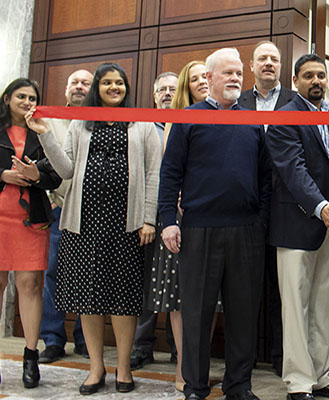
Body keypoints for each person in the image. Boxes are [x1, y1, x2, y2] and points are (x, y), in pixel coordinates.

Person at [26, 62, 162, 395]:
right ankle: (96, 369)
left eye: (119, 83)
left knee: (123, 300)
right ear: (96, 88)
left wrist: (148, 218)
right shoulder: (80, 124)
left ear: (126, 88)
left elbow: (153, 173)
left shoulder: (141, 124)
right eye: (107, 83)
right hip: (83, 223)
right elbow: (67, 170)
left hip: (126, 225)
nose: (114, 88)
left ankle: (125, 369)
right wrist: (45, 137)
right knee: (88, 298)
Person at [160, 47, 269, 400]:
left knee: (242, 315)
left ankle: (239, 386)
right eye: (228, 73)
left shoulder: (252, 119)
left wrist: (261, 221)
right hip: (198, 229)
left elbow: (265, 176)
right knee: (196, 315)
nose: (236, 78)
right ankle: (194, 387)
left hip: (246, 231)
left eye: (239, 73)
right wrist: (166, 221)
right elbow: (170, 172)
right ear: (208, 78)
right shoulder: (188, 117)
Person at [265, 53, 329, 400]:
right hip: (297, 225)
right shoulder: (284, 118)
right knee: (296, 307)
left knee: (324, 305)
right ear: (296, 80)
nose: (316, 81)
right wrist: (321, 208)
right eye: (308, 76)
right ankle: (299, 383)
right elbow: (292, 170)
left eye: (321, 75)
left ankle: (321, 376)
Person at [0, 78, 61, 391]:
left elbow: (54, 177)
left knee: (30, 284)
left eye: (31, 97)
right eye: (20, 95)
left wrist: (34, 176)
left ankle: (31, 356)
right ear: (8, 98)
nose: (26, 101)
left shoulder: (43, 133)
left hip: (30, 220)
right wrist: (2, 175)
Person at [137, 60, 210, 391]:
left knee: (211, 297)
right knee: (181, 297)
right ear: (188, 86)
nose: (202, 82)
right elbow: (168, 173)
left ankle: (199, 364)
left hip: (215, 219)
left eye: (205, 76)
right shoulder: (176, 122)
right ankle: (183, 366)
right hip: (182, 219)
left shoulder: (225, 114)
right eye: (194, 79)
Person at [238, 40, 295, 377]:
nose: (269, 64)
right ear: (252, 66)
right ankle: (244, 358)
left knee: (279, 285)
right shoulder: (239, 103)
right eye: (263, 59)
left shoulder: (294, 102)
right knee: (244, 283)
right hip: (245, 198)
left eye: (274, 59)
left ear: (280, 65)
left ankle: (279, 355)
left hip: (284, 198)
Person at [39, 69, 92, 364]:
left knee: (90, 275)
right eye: (75, 83)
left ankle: (86, 339)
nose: (80, 87)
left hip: (94, 212)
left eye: (86, 83)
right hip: (60, 208)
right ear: (66, 90)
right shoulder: (49, 121)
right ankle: (53, 339)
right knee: (53, 275)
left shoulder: (102, 121)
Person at [130, 69, 180, 372]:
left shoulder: (187, 124)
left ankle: (179, 347)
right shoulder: (141, 127)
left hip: (179, 215)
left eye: (173, 89)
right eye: (162, 89)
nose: (167, 94)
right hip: (147, 217)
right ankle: (142, 346)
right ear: (154, 94)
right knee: (146, 281)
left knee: (178, 284)